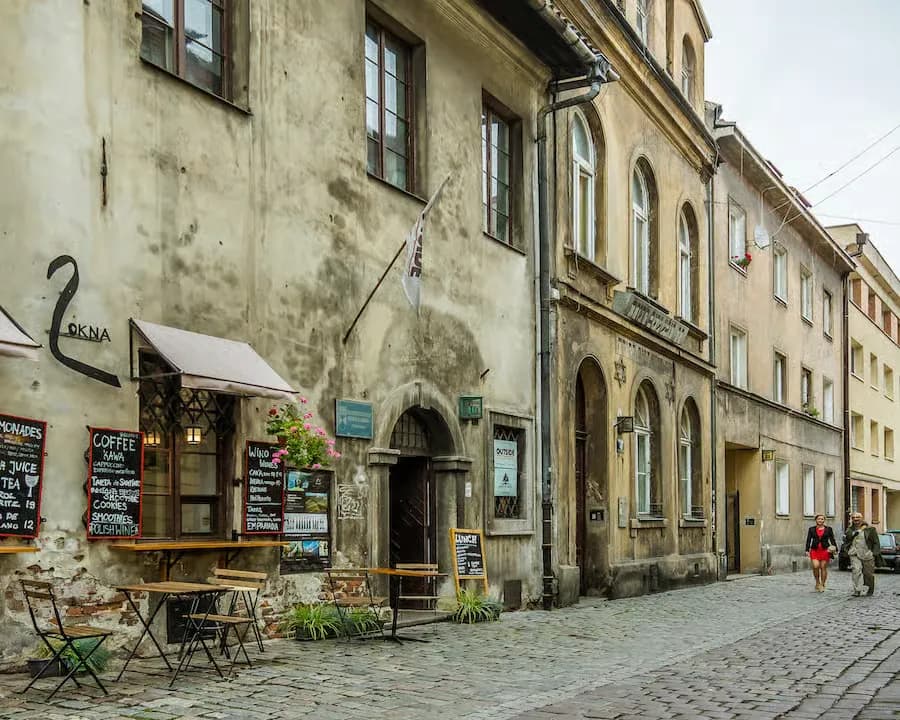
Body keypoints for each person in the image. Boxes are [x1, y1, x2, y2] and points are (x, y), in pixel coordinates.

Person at [842, 512, 884, 596]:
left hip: (867, 553)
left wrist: (874, 553)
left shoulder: (870, 529)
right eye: (853, 517)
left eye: (858, 517)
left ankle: (869, 589)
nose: (856, 519)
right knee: (856, 570)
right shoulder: (849, 529)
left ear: (862, 518)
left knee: (868, 573)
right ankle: (857, 590)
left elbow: (876, 542)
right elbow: (848, 539)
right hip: (854, 553)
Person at [804, 514, 837, 592]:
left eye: (822, 519)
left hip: (825, 550)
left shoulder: (828, 529)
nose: (820, 520)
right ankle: (817, 582)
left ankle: (822, 584)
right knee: (815, 566)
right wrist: (806, 550)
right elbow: (808, 540)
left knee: (823, 567)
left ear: (824, 520)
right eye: (819, 519)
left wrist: (835, 549)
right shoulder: (811, 529)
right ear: (816, 520)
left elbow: (832, 539)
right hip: (814, 550)